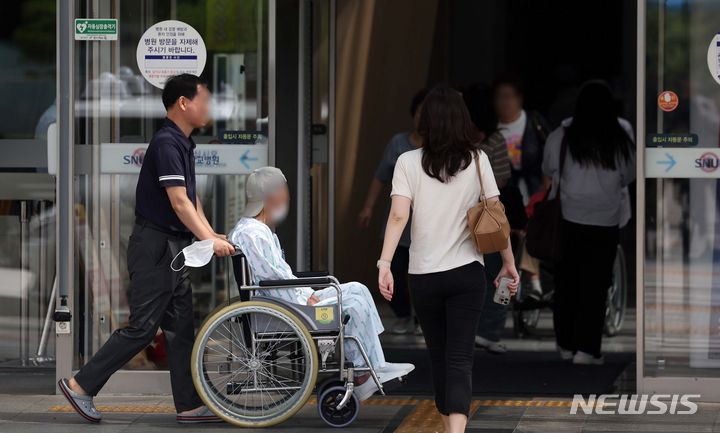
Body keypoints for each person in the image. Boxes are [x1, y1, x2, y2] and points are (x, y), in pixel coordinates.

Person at [57, 74, 235, 424]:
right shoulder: (167, 143)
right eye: (204, 100)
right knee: (142, 328)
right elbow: (179, 203)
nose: (209, 107)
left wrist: (211, 233)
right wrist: (209, 241)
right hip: (155, 247)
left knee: (181, 328)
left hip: (173, 249)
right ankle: (81, 385)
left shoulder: (183, 143)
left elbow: (192, 199)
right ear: (184, 103)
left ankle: (188, 405)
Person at [378, 85, 519, 433]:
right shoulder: (477, 159)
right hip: (467, 274)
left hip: (423, 275)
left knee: (439, 357)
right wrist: (509, 262)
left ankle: (451, 430)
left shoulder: (408, 162)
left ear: (426, 122)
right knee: (459, 359)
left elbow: (398, 217)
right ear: (462, 120)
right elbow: (495, 214)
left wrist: (384, 262)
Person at [228, 166, 415, 401]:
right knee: (351, 304)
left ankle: (375, 363)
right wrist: (304, 295)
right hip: (283, 308)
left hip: (286, 300)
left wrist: (304, 292)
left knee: (358, 289)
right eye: (284, 191)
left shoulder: (259, 230)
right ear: (271, 197)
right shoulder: (252, 233)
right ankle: (363, 373)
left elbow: (276, 275)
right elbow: (272, 278)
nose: (288, 197)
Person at [542, 80, 635, 365]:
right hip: (605, 221)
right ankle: (587, 349)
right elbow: (629, 175)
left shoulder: (563, 134)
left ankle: (566, 344)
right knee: (596, 286)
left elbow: (548, 167)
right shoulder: (621, 135)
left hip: (569, 217)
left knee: (566, 281)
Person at [358, 88, 426, 335]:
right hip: (399, 221)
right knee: (395, 269)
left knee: (423, 272)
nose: (422, 118)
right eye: (419, 113)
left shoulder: (439, 146)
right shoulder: (399, 143)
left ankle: (421, 319)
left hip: (426, 224)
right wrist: (368, 207)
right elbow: (380, 177)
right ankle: (403, 314)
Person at [462, 83, 516, 354]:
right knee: (499, 273)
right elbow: (503, 179)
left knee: (468, 275)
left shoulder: (457, 142)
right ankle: (490, 330)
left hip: (458, 217)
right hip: (487, 218)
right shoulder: (493, 141)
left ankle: (468, 329)